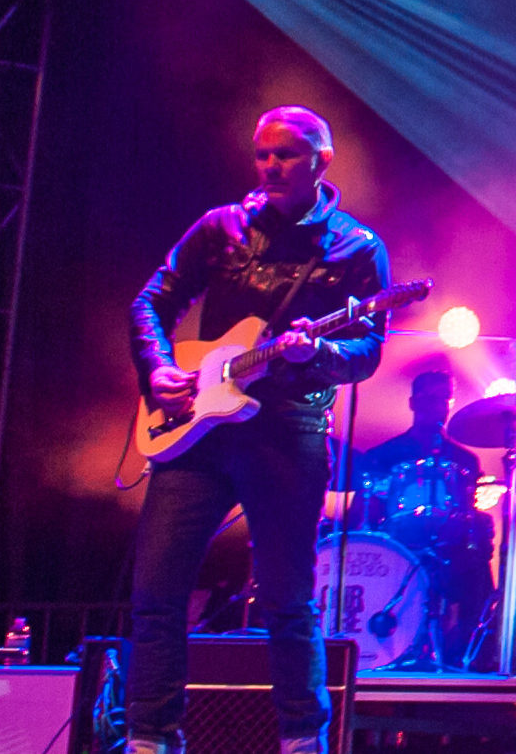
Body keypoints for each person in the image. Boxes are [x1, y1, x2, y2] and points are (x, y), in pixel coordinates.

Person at [126, 107, 391, 754]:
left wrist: (317, 355)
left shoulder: (356, 248)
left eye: (285, 155)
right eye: (262, 154)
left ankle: (303, 739)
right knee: (157, 592)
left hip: (288, 430)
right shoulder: (221, 227)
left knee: (285, 599)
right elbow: (150, 301)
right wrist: (158, 368)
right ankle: (149, 737)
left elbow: (368, 348)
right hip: (200, 430)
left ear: (321, 162)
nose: (270, 166)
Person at [350, 370, 487, 666]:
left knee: (478, 573)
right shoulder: (384, 455)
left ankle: (465, 658)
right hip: (397, 548)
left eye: (445, 399)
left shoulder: (465, 460)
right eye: (431, 398)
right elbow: (362, 516)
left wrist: (476, 528)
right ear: (413, 403)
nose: (440, 405)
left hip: (449, 549)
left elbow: (466, 513)